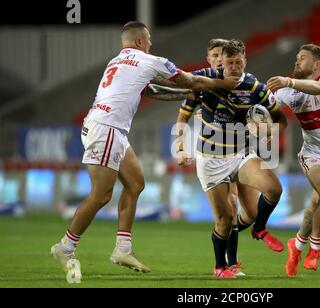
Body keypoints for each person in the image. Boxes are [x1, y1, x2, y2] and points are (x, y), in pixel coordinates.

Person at [50, 21, 238, 283]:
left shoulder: (117, 61)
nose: (150, 43)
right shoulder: (149, 59)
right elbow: (191, 79)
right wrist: (223, 84)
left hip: (108, 128)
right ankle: (65, 247)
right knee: (101, 195)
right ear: (139, 41)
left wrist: (186, 93)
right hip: (106, 129)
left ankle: (122, 249)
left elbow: (151, 90)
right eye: (148, 39)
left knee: (136, 183)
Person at [186, 39, 287, 279]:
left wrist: (268, 130)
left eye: (238, 62)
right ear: (222, 62)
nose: (234, 66)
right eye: (229, 62)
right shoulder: (209, 80)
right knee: (225, 219)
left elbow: (281, 120)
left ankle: (260, 228)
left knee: (273, 189)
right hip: (211, 160)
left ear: (245, 62)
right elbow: (186, 81)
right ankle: (221, 267)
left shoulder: (257, 88)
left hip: (241, 154)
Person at [267, 44, 320, 276]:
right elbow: (266, 106)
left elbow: (317, 88)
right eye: (296, 57)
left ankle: (296, 245)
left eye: (302, 58)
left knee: (316, 204)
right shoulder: (288, 90)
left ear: (316, 64)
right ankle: (315, 249)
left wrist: (289, 82)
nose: (296, 62)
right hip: (312, 155)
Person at [175, 38, 258, 277]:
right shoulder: (201, 89)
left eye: (224, 55)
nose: (220, 59)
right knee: (230, 208)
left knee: (250, 213)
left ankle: (226, 246)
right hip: (213, 156)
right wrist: (181, 148)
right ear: (209, 60)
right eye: (215, 56)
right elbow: (182, 121)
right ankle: (227, 263)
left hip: (241, 152)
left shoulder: (243, 85)